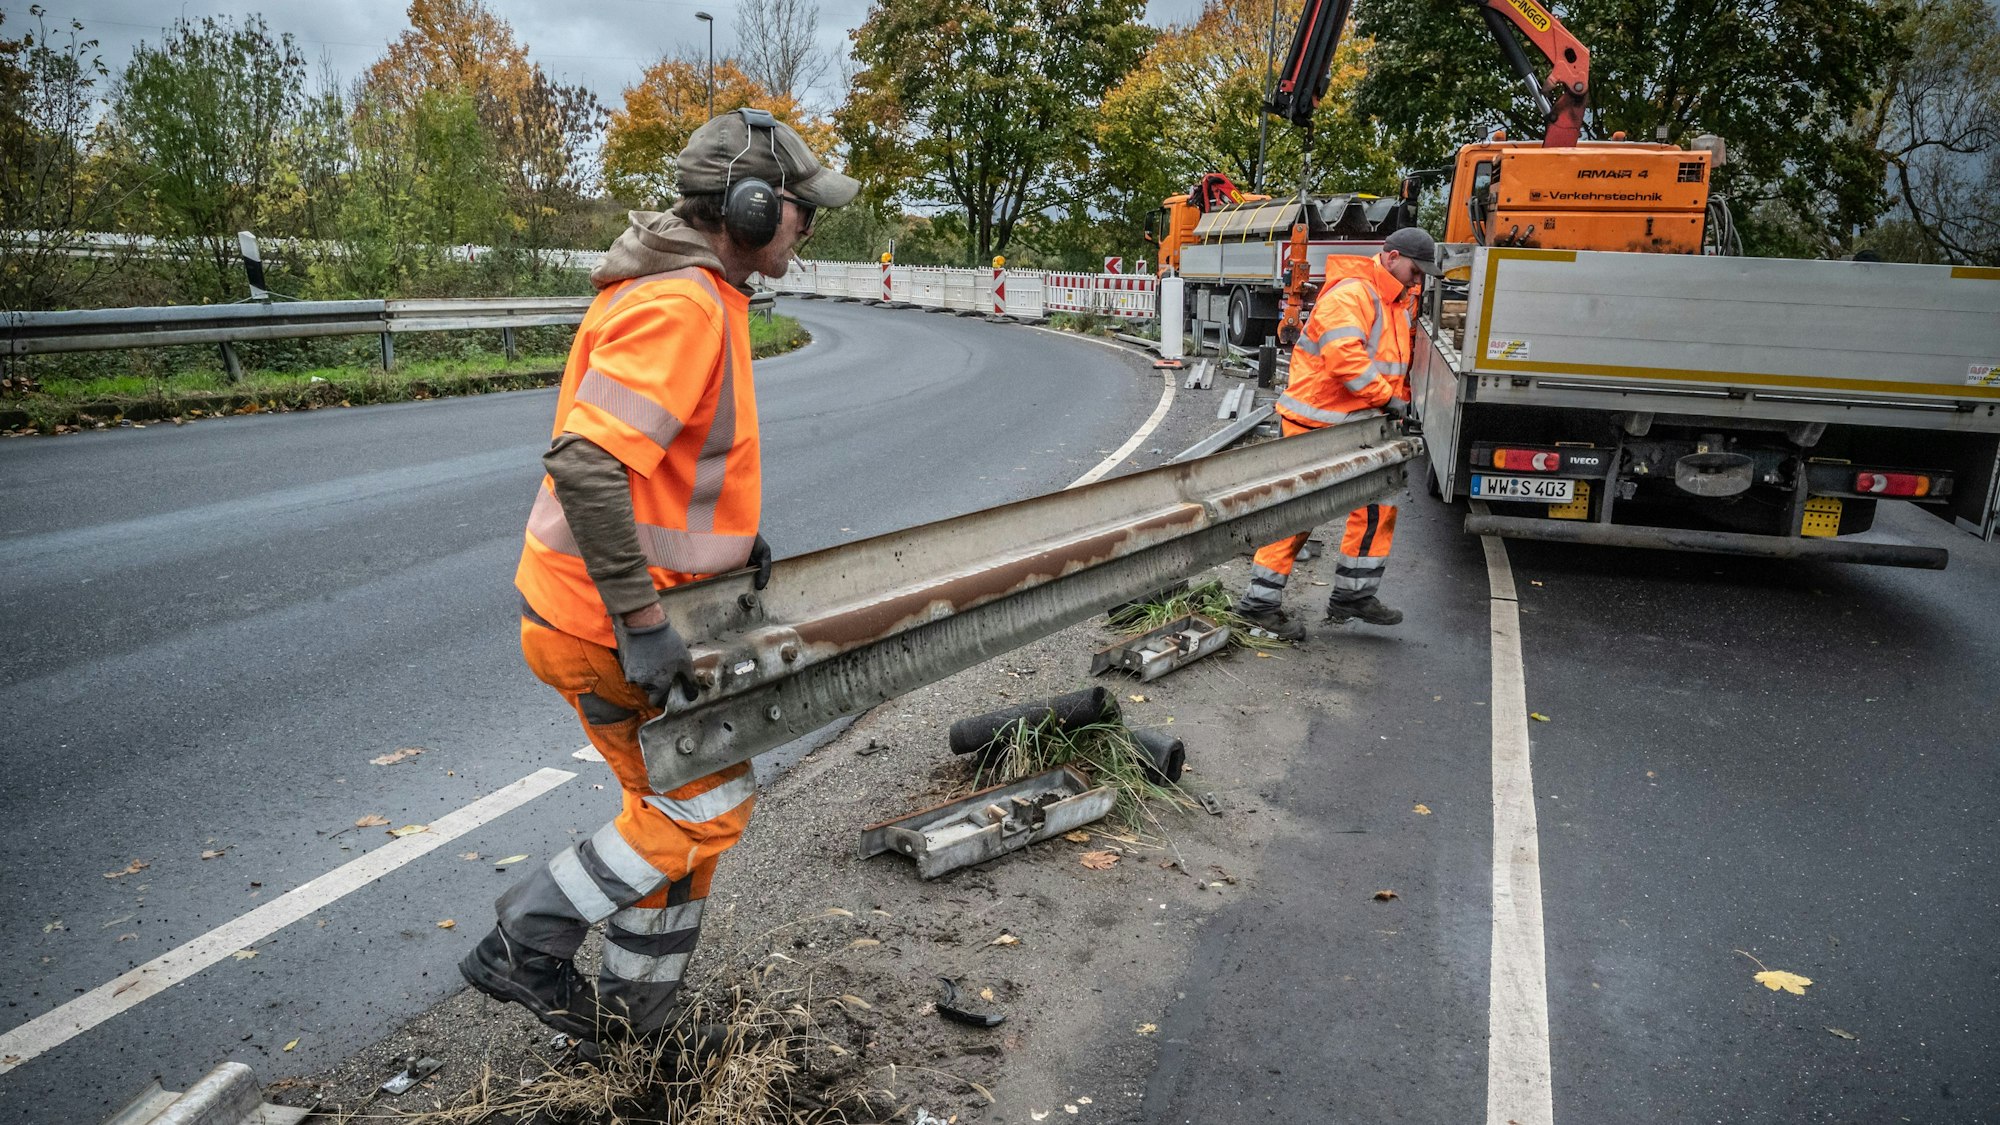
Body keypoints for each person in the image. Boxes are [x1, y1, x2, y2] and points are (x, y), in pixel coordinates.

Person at [460, 108, 858, 1044]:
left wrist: (729, 549)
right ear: (753, 210)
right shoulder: (679, 304)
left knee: (667, 814)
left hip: (578, 618)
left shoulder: (689, 292)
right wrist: (643, 621)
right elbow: (590, 464)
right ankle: (528, 939)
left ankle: (643, 1017)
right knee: (712, 805)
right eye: (803, 210)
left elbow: (666, 473)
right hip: (606, 630)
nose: (809, 227)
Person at [1232, 225, 1442, 640]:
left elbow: (1388, 363)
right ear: (1393, 257)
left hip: (1356, 422)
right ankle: (1258, 604)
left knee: (1378, 505)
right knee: (1299, 512)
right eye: (1416, 272)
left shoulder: (1393, 299)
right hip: (1316, 423)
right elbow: (1345, 358)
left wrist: (1394, 405)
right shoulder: (1354, 294)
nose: (1419, 282)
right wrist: (1390, 399)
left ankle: (1353, 595)